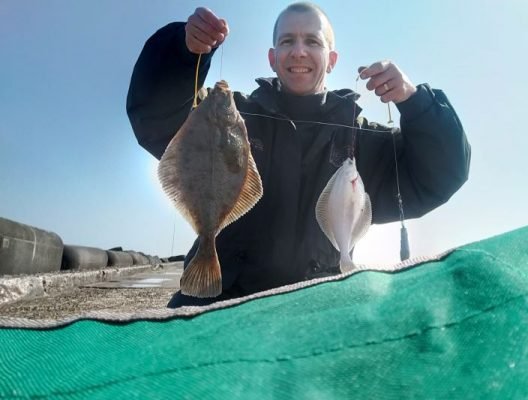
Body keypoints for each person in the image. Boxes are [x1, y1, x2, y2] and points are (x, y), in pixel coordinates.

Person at [126, 2, 471, 308]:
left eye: (313, 41)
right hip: (221, 303)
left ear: (332, 59)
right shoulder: (231, 118)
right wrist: (184, 53)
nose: (299, 51)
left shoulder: (362, 141)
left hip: (320, 310)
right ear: (273, 57)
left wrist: (416, 102)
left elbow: (438, 175)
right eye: (287, 41)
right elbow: (157, 118)